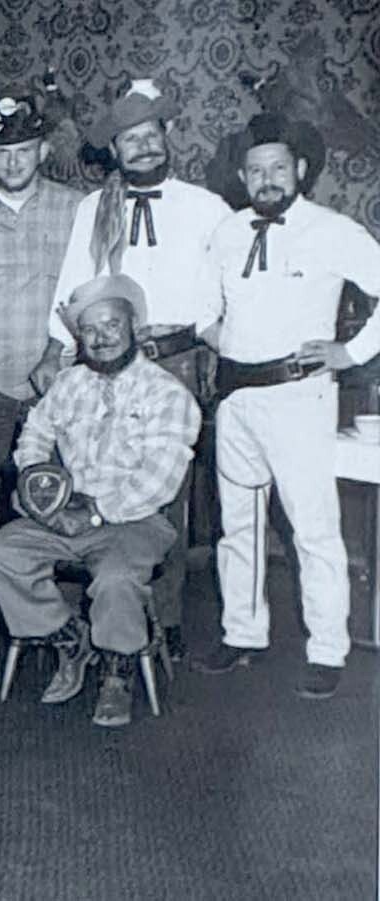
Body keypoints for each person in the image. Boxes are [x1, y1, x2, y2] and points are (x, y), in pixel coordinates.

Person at [191, 113, 380, 699]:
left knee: (314, 529)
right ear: (242, 176)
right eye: (255, 170)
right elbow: (204, 308)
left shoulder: (333, 230)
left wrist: (351, 353)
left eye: (278, 168)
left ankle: (327, 650)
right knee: (237, 527)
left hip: (301, 396)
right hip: (238, 396)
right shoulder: (226, 233)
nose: (267, 179)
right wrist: (222, 340)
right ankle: (242, 636)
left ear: (300, 170)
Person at [44, 78, 232, 657]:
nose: (143, 149)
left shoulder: (207, 208)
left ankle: (166, 619)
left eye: (151, 136)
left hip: (175, 358)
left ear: (168, 136)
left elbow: (225, 292)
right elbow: (73, 283)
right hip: (103, 356)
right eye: (131, 141)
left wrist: (206, 342)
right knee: (89, 474)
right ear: (115, 150)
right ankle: (95, 615)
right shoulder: (93, 209)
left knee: (163, 495)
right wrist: (59, 350)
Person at [0, 275, 200, 728]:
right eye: (90, 331)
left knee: (117, 578)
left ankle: (117, 673)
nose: (100, 339)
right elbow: (34, 435)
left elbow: (160, 481)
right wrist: (36, 485)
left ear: (134, 327)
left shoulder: (168, 394)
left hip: (136, 519)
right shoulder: (69, 383)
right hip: (65, 512)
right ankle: (69, 638)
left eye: (111, 326)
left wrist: (96, 512)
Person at [0, 89, 83, 532]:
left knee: (63, 495)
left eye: (24, 151)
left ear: (43, 150)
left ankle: (57, 602)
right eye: (3, 152)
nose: (13, 163)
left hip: (57, 382)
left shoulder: (75, 208)